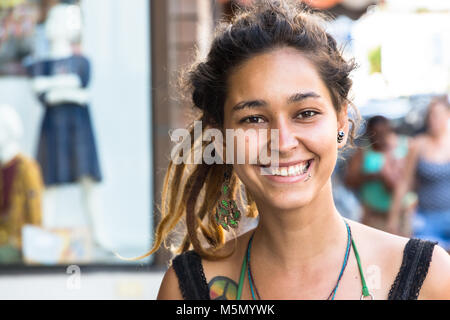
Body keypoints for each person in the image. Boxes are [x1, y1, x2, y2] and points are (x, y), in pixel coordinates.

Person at [148, 0, 450, 300]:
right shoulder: (190, 289)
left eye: (305, 113)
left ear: (341, 121)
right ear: (222, 139)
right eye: (253, 119)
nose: (283, 142)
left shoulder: (428, 278)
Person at [389, 95, 450, 253]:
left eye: (437, 114)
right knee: (428, 263)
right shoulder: (418, 144)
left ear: (447, 115)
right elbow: (404, 182)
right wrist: (394, 218)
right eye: (430, 115)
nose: (432, 119)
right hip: (426, 217)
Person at [345, 116, 417, 236]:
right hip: (374, 214)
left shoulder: (405, 145)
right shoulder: (364, 151)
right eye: (376, 134)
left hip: (402, 213)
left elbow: (406, 181)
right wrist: (373, 176)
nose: (380, 137)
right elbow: (349, 180)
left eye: (383, 133)